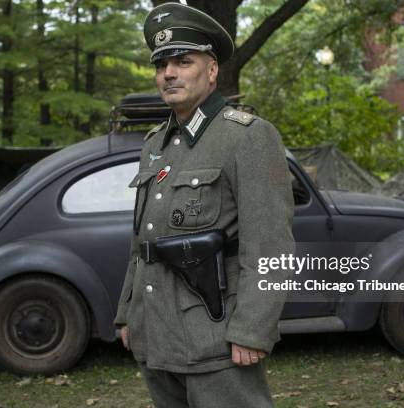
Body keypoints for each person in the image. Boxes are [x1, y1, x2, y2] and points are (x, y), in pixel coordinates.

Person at [113, 3, 295, 407]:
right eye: (161, 65)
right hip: (157, 334)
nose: (169, 73)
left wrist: (252, 329)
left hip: (215, 338)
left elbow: (271, 246)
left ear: (211, 71)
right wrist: (128, 312)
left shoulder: (247, 137)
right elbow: (143, 238)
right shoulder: (155, 144)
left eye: (183, 61)